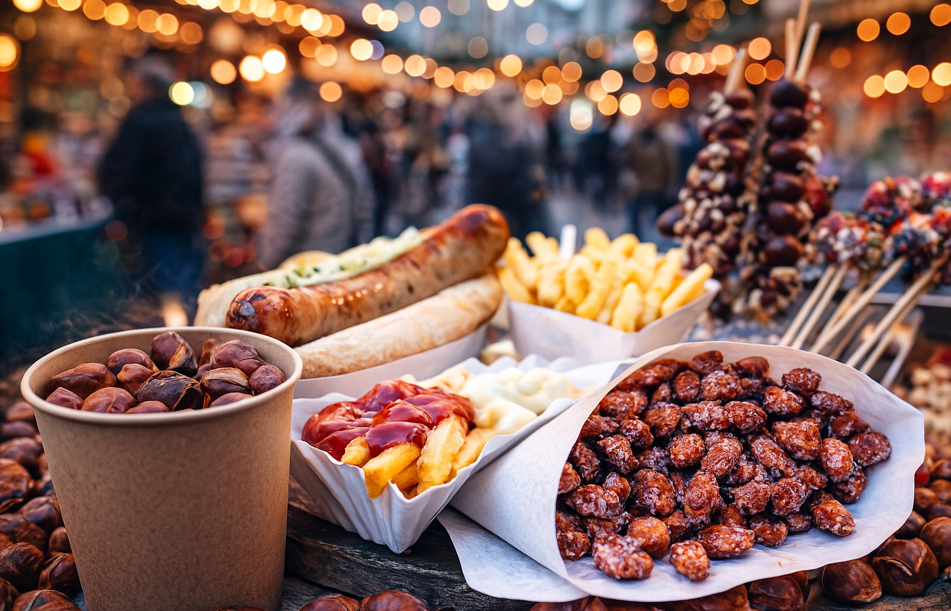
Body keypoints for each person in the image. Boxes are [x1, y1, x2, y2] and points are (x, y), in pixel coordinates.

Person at [97, 54, 205, 305]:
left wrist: (124, 214)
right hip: (182, 223)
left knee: (152, 299)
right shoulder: (180, 122)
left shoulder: (139, 123)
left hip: (151, 225)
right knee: (183, 294)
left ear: (148, 87)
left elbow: (116, 172)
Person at [256, 80, 374, 268]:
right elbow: (366, 207)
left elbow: (285, 221)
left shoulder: (296, 157)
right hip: (343, 261)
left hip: (307, 267)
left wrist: (264, 263)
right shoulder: (346, 146)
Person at [622, 113, 676, 237]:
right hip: (639, 184)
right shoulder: (636, 140)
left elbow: (670, 163)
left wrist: (669, 181)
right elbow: (627, 158)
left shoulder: (662, 142)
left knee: (659, 212)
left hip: (657, 184)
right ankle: (635, 234)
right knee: (635, 211)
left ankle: (660, 235)